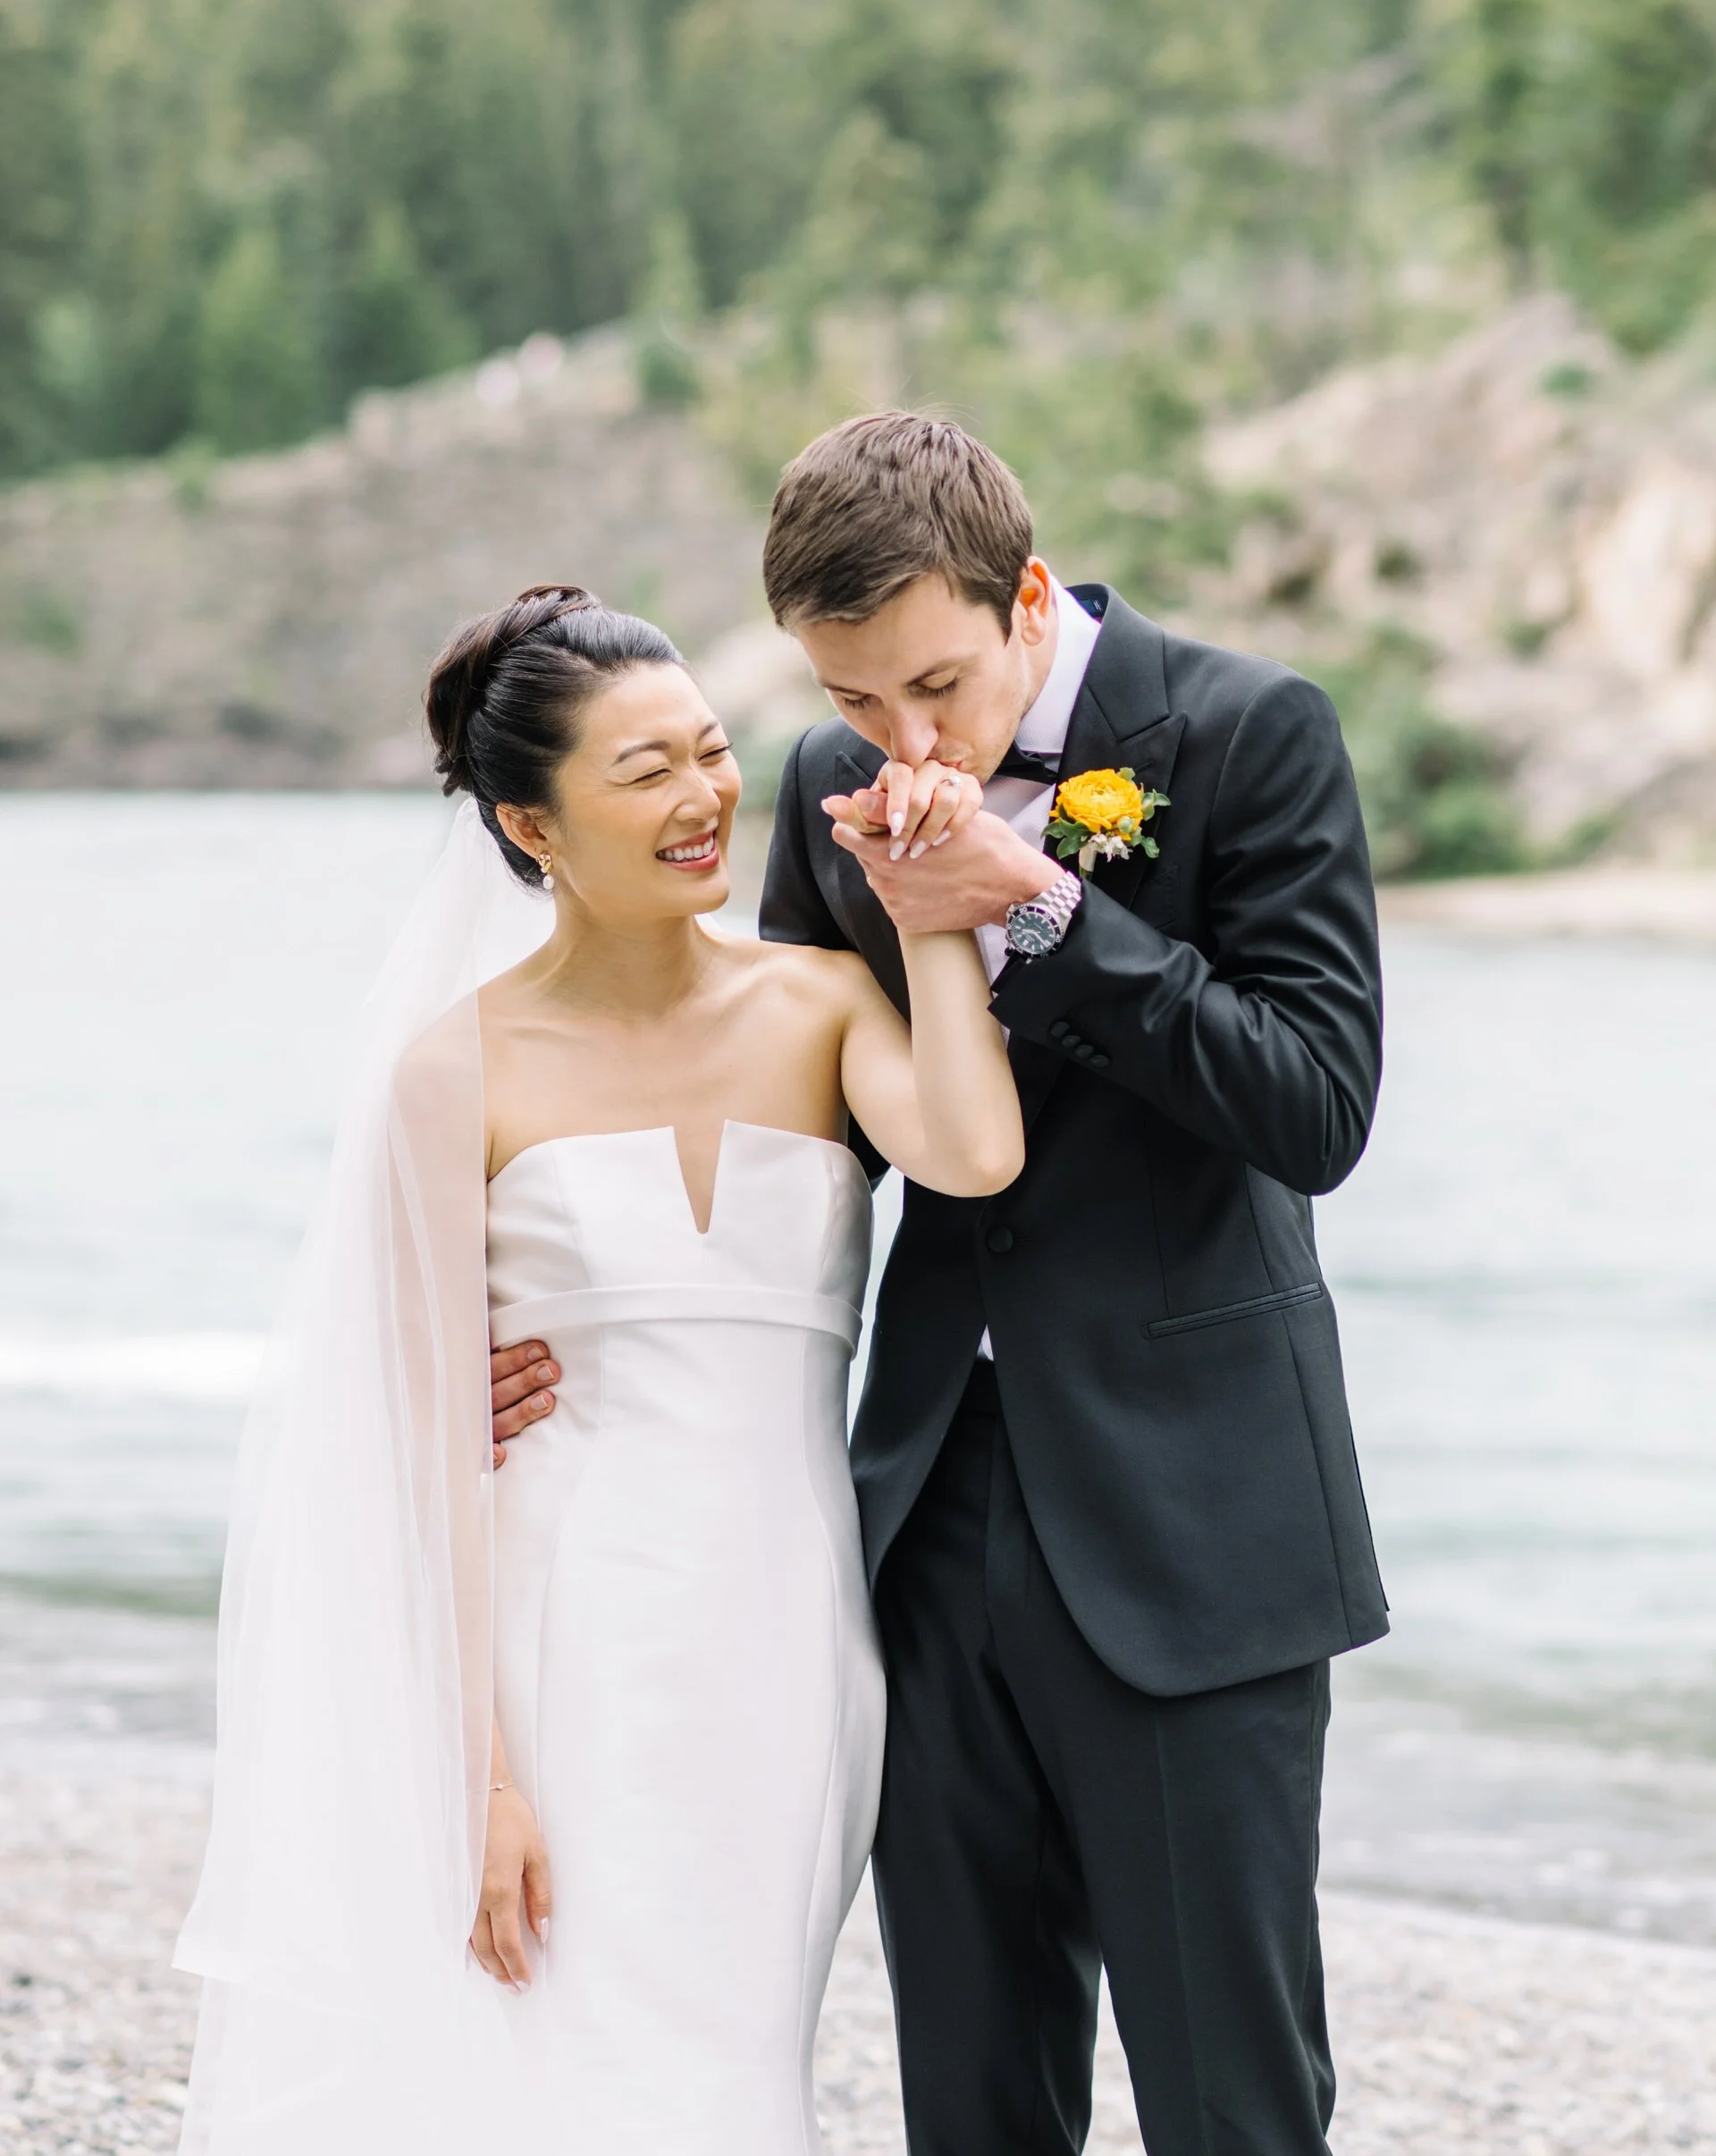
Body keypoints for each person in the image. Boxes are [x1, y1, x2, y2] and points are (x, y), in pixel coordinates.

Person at [493, 417, 1388, 2155]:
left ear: (1029, 594)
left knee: (1233, 2094)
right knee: (973, 2092)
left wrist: (1045, 910)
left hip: (1194, 1514)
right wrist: (519, 1321)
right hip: (917, 1513)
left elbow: (1315, 1106)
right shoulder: (838, 801)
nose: (906, 742)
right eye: (854, 698)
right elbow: (789, 1127)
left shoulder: (1248, 733)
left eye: (937, 689)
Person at [173, 585, 1024, 2155]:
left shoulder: (822, 998)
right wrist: (477, 1776)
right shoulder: (456, 1068)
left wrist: (933, 920)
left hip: (788, 1634)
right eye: (644, 772)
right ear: (531, 824)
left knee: (737, 2054)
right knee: (568, 2060)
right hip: (566, 1650)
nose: (704, 797)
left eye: (710, 752)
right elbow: (423, 1442)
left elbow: (973, 1152)